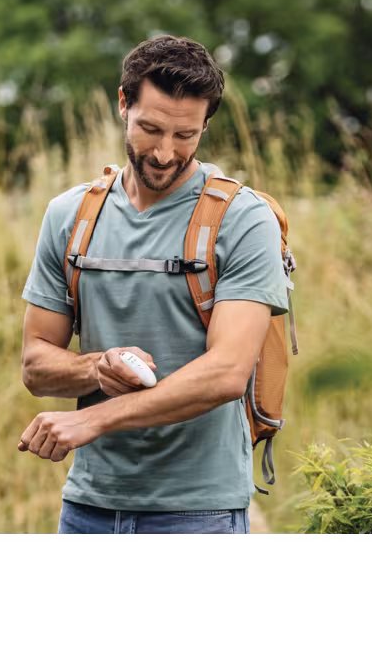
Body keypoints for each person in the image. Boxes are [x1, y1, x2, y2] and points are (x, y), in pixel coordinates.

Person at [18, 35, 290, 534]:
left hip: (200, 512)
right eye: (150, 129)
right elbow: (36, 364)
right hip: (87, 509)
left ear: (206, 125)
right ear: (123, 104)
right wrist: (98, 367)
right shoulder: (70, 216)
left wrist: (94, 419)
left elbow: (228, 372)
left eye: (186, 135)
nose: (165, 153)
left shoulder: (243, 220)